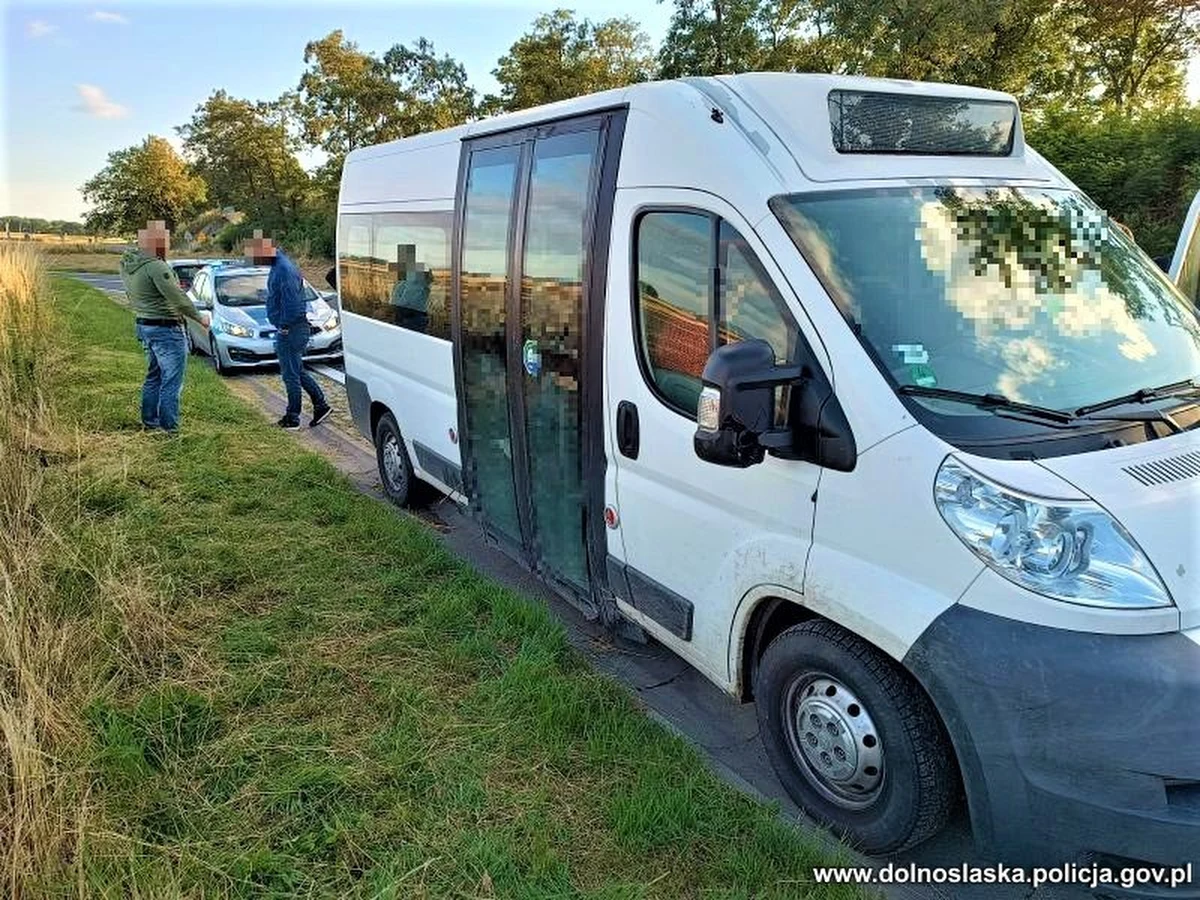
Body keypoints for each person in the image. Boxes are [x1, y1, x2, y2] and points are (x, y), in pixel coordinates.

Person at [120, 220, 206, 433]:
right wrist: (199, 317)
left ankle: (150, 422)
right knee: (172, 381)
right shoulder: (156, 266)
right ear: (156, 242)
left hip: (144, 324)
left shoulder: (129, 264)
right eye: (165, 240)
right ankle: (170, 429)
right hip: (165, 329)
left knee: (154, 376)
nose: (167, 245)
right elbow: (177, 298)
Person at [246, 232, 331, 430]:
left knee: (290, 375)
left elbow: (293, 304)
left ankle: (292, 417)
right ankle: (320, 404)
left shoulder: (283, 269)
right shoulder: (280, 266)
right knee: (297, 370)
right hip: (293, 327)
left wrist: (284, 327)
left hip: (291, 329)